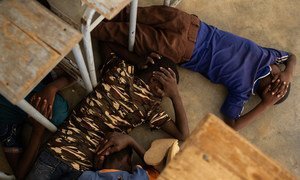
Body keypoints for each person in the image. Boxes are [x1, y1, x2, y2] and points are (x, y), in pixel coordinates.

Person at [92, 5, 297, 130]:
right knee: (116, 28)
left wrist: (286, 75)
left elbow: (291, 57)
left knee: (125, 17)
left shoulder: (266, 59)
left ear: (274, 77)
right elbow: (232, 125)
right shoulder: (245, 88)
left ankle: (89, 15)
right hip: (180, 41)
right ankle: (86, 25)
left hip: (188, 25)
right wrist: (267, 103)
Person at [27, 44, 189, 179]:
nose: (164, 96)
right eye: (166, 90)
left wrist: (137, 60)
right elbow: (183, 134)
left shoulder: (119, 71)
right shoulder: (150, 107)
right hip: (83, 170)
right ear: (155, 81)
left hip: (57, 150)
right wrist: (176, 96)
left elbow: (105, 43)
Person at [0, 75, 73, 179]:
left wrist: (52, 87)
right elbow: (20, 174)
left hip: (18, 80)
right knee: (57, 114)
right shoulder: (5, 124)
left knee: (57, 113)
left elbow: (74, 74)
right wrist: (38, 130)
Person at [78, 132, 159, 180]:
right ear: (129, 160)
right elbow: (157, 170)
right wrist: (131, 141)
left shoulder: (87, 176)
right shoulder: (138, 177)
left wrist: (98, 170)